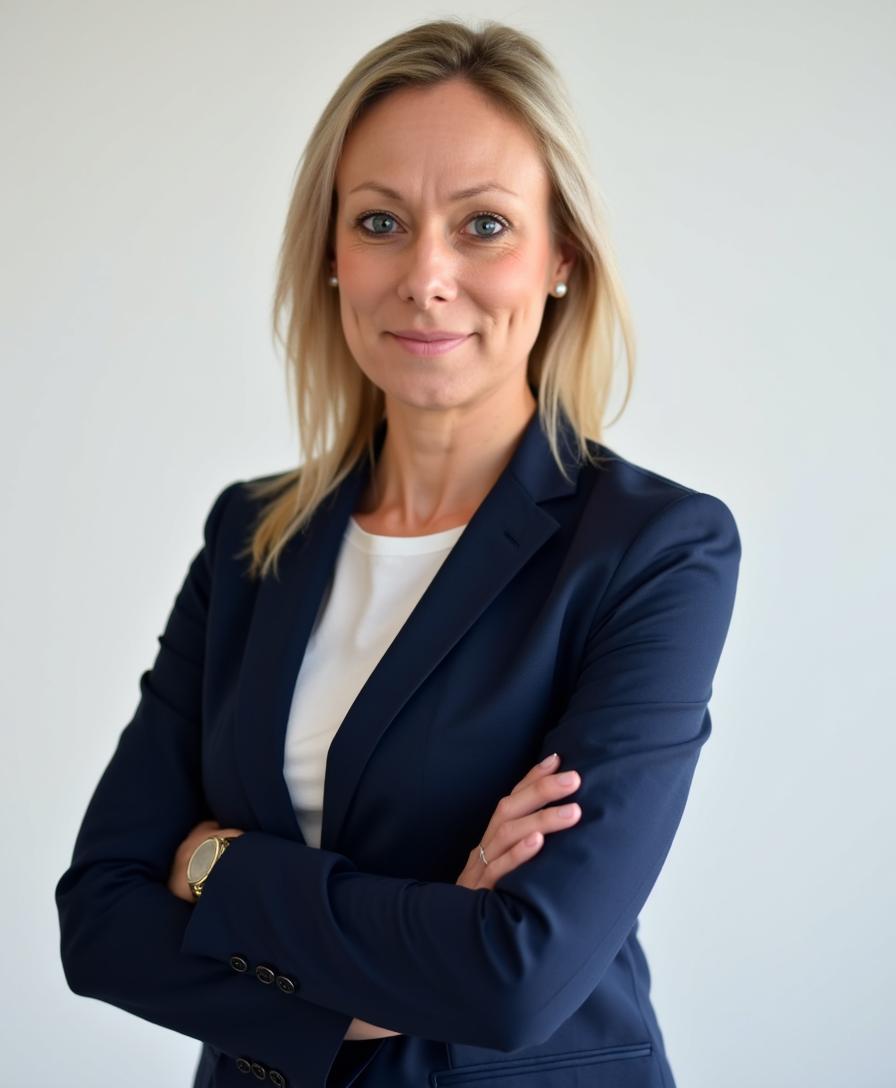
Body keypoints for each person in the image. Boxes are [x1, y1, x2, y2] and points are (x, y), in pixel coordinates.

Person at [55, 17, 741, 1088]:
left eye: (482, 225)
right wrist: (390, 976)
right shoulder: (250, 534)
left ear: (560, 256)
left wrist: (211, 864)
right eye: (380, 220)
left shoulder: (652, 548)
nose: (425, 275)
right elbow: (99, 917)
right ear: (330, 255)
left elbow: (512, 976)